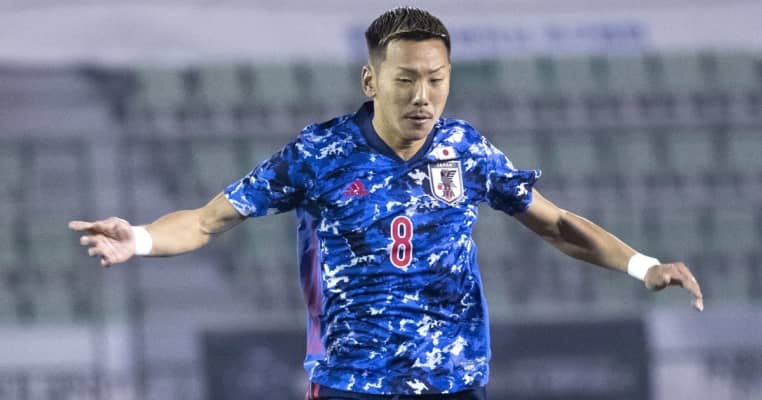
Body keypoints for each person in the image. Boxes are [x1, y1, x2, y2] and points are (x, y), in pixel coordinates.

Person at [69, 7, 703, 400]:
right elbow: (208, 222)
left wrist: (642, 265)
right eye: (406, 80)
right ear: (371, 80)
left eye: (436, 79)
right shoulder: (319, 154)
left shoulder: (465, 151)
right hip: (351, 382)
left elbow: (557, 224)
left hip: (454, 381)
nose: (423, 96)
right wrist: (141, 238)